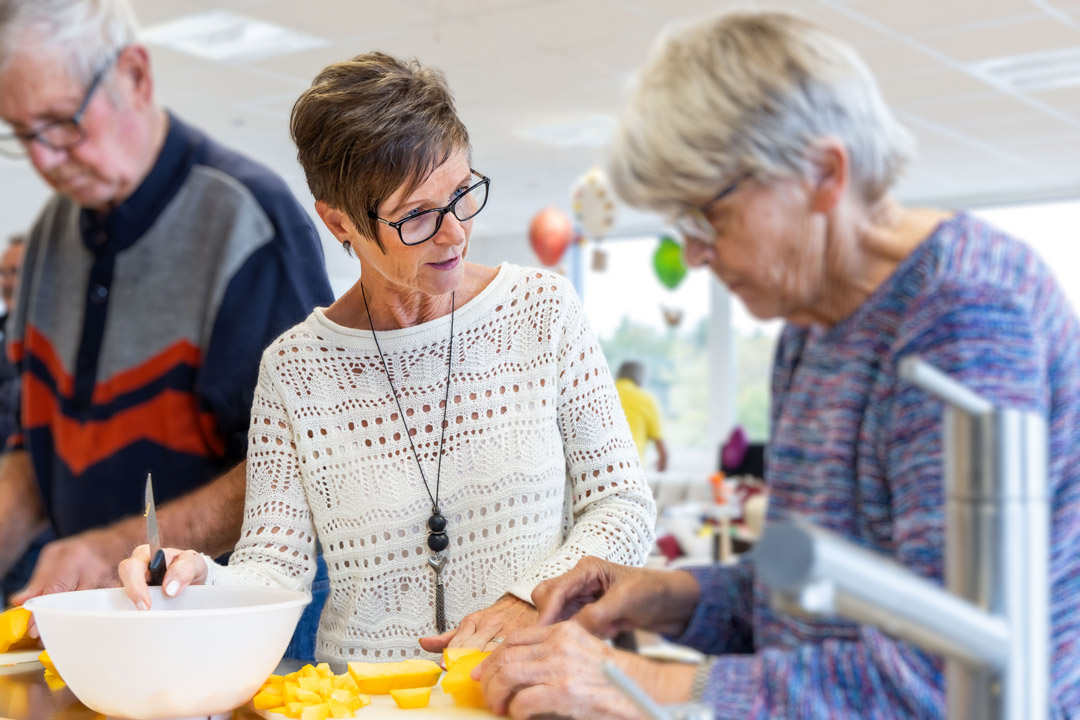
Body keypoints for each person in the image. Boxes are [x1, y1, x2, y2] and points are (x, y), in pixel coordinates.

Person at [474, 11, 1080, 718]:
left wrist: (640, 684)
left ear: (823, 174)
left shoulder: (964, 316)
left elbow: (954, 679)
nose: (696, 254)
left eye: (710, 217)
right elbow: (813, 602)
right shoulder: (811, 322)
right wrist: (670, 595)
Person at [119, 52, 656, 664]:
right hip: (362, 698)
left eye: (461, 194)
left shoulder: (544, 311)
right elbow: (273, 569)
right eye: (417, 216)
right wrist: (196, 578)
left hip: (530, 687)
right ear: (339, 223)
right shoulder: (294, 369)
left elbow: (622, 507)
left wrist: (532, 598)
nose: (454, 232)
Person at [0, 0, 334, 628]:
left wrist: (115, 549)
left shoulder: (247, 223)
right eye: (21, 134)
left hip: (224, 620)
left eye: (60, 122)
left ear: (134, 74)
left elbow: (296, 470)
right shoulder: (48, 238)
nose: (43, 159)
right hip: (99, 624)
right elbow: (33, 449)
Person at [614, 360, 667, 472]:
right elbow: (662, 449)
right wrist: (662, 466)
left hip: (600, 469)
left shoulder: (604, 393)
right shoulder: (646, 399)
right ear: (641, 377)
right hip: (632, 469)